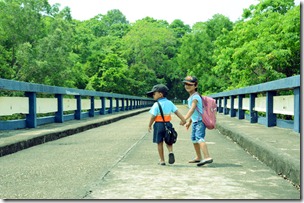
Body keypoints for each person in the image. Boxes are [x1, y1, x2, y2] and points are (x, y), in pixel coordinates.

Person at [147, 84, 186, 166]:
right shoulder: (170, 103)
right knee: (169, 140)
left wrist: (149, 125)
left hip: (158, 125)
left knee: (159, 142)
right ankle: (170, 152)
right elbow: (177, 112)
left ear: (160, 94)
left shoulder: (156, 105)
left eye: (154, 93)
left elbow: (153, 117)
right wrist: (183, 119)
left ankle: (162, 160)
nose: (153, 95)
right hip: (168, 124)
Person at [182, 76, 213, 167]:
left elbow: (192, 109)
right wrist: (189, 122)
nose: (187, 86)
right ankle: (198, 157)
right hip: (195, 121)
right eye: (186, 84)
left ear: (195, 85)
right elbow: (196, 112)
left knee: (199, 138)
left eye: (190, 84)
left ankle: (207, 157)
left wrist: (184, 119)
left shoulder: (195, 97)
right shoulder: (191, 96)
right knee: (194, 139)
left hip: (200, 121)